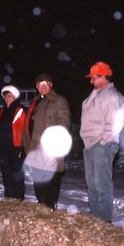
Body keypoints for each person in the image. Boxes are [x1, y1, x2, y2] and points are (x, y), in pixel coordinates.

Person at [80, 62, 124, 222]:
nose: (91, 81)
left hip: (102, 145)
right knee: (92, 184)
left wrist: (103, 141)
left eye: (94, 77)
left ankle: (104, 220)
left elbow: (115, 123)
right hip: (90, 145)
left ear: (103, 77)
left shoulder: (112, 97)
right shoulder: (95, 95)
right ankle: (95, 218)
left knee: (102, 185)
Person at [23, 73, 71, 209]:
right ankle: (43, 209)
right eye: (40, 84)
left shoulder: (59, 100)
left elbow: (64, 123)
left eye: (45, 84)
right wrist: (26, 145)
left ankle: (50, 211)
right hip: (35, 150)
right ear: (37, 87)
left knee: (51, 186)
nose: (42, 86)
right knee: (39, 185)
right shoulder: (34, 102)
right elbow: (27, 127)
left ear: (51, 85)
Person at [0, 85, 26, 200]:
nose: (7, 98)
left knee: (17, 173)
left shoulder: (19, 110)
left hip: (15, 147)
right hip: (3, 147)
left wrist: (22, 146)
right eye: (6, 96)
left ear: (15, 97)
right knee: (6, 172)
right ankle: (9, 197)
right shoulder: (0, 112)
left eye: (10, 96)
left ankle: (18, 197)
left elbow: (24, 129)